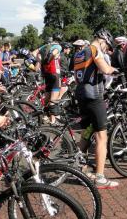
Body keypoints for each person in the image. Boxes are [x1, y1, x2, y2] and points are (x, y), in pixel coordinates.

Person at [74, 29, 119, 189]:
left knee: (87, 130)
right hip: (94, 96)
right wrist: (114, 70)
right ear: (102, 40)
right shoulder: (94, 49)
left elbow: (76, 75)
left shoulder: (80, 52)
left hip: (81, 94)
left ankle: (78, 167)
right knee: (101, 136)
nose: (106, 48)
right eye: (106, 45)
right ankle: (100, 177)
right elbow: (106, 69)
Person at [33, 35, 63, 125]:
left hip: (46, 74)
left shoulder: (45, 46)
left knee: (47, 98)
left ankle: (43, 116)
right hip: (55, 73)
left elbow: (34, 53)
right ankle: (53, 121)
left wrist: (41, 61)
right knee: (53, 99)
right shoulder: (58, 46)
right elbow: (54, 53)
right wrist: (48, 60)